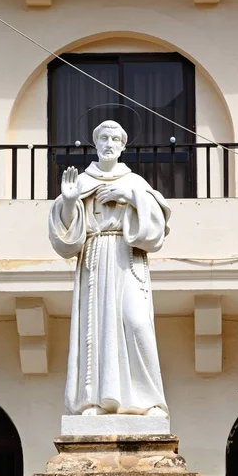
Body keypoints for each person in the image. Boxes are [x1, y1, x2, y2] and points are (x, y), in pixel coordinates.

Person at [49, 120, 171, 417]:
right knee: (97, 325)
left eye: (114, 138)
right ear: (95, 142)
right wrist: (68, 201)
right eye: (103, 137)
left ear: (123, 145)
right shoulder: (82, 182)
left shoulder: (134, 182)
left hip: (128, 256)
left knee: (137, 323)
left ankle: (150, 401)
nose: (108, 143)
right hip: (95, 256)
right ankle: (95, 401)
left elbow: (158, 227)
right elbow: (65, 238)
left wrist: (129, 197)